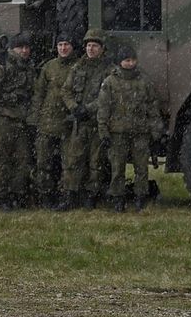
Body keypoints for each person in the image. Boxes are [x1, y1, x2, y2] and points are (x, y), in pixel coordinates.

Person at [97, 54, 166, 212]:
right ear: (120, 62)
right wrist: (103, 132)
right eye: (126, 60)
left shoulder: (144, 82)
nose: (130, 63)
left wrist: (156, 133)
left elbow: (153, 108)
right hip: (117, 132)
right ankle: (118, 199)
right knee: (117, 167)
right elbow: (103, 108)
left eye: (132, 60)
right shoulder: (110, 82)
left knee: (141, 167)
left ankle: (140, 197)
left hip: (140, 132)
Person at [60, 28, 115, 209]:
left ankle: (91, 197)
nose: (91, 49)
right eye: (89, 46)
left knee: (96, 162)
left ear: (102, 48)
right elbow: (66, 90)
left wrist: (88, 109)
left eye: (95, 46)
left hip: (97, 123)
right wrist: (74, 108)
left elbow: (107, 96)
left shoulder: (109, 70)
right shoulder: (78, 67)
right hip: (79, 123)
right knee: (73, 160)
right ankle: (70, 196)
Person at [0, 32, 36, 209]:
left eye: (27, 47)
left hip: (20, 120)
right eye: (21, 47)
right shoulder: (1, 65)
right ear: (13, 49)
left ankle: (16, 194)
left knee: (22, 160)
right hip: (3, 120)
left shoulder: (28, 67)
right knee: (0, 160)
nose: (24, 51)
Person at [29, 34, 78, 207]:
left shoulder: (78, 67)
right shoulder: (49, 66)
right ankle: (46, 195)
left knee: (69, 163)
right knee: (43, 161)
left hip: (69, 122)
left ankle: (66, 196)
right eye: (60, 45)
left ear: (72, 47)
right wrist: (34, 118)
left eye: (66, 44)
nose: (63, 48)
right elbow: (39, 93)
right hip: (47, 121)